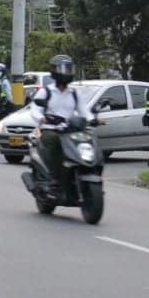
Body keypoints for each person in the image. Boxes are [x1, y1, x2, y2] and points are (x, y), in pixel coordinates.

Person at [30, 55, 93, 200]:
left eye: (69, 69)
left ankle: (84, 172)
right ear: (54, 71)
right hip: (50, 129)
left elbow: (84, 111)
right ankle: (54, 180)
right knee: (55, 141)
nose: (67, 72)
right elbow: (35, 109)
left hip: (69, 131)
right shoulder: (46, 91)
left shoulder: (74, 93)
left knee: (87, 140)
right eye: (63, 69)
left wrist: (92, 120)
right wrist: (42, 118)